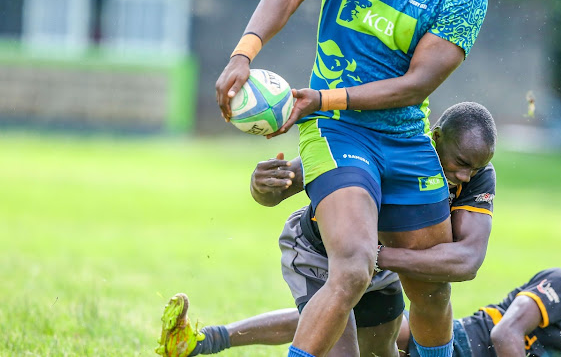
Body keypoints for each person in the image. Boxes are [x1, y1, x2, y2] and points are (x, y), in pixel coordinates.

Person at [213, 0, 486, 356]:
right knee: (355, 266)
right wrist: (242, 54)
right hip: (336, 131)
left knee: (432, 291)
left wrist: (317, 97)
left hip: (403, 137)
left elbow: (414, 86)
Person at [156, 102, 497, 357]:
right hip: (319, 252)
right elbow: (280, 189)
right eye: (462, 164)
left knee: (380, 349)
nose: (467, 176)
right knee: (337, 332)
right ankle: (209, 340)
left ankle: (205, 340)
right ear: (436, 137)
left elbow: (467, 261)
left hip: (384, 264)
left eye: (476, 167)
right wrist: (261, 185)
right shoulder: (390, 148)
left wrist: (378, 257)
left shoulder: (476, 174)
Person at [157, 247, 561, 357]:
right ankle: (208, 340)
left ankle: (206, 341)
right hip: (449, 342)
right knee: (341, 319)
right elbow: (504, 336)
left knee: (344, 324)